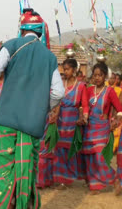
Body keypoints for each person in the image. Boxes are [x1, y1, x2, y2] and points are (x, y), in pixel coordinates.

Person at [0, 8, 64, 208]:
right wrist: (40, 108)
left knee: (6, 172)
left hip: (6, 122)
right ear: (40, 32)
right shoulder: (49, 57)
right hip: (32, 125)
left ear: (21, 29)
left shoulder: (12, 46)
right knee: (27, 171)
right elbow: (58, 93)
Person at [81, 63, 122, 195]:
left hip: (102, 127)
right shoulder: (88, 90)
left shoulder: (109, 91)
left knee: (99, 156)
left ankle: (114, 178)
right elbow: (83, 106)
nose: (97, 77)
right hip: (89, 127)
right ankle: (95, 185)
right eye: (95, 75)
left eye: (100, 75)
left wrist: (116, 121)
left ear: (105, 76)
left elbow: (119, 109)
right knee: (90, 157)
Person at [52, 58, 89, 190]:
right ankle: (61, 179)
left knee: (70, 151)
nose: (65, 72)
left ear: (74, 70)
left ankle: (68, 177)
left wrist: (84, 118)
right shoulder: (61, 84)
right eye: (64, 69)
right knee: (59, 150)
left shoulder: (81, 86)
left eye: (67, 69)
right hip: (60, 120)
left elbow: (84, 105)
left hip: (72, 123)